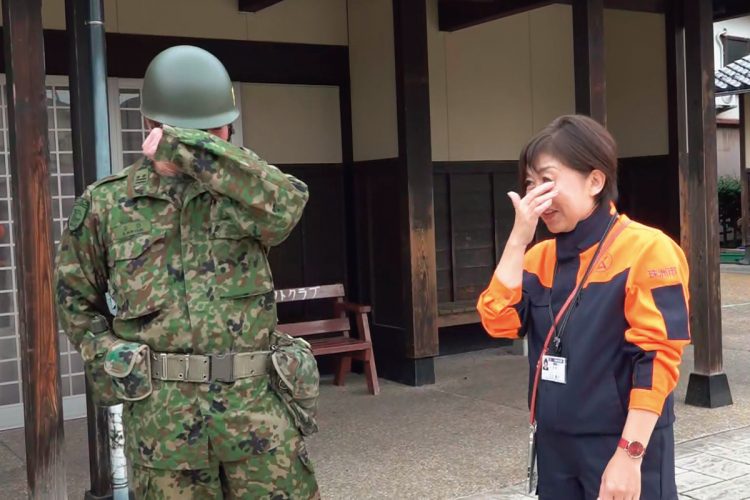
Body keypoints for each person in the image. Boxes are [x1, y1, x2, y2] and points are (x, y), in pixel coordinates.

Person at [54, 45, 319, 499]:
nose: (211, 144)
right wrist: (112, 356)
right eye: (193, 134)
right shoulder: (108, 204)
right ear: (152, 128)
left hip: (258, 420)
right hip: (165, 427)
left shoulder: (245, 194)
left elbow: (289, 204)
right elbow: (74, 299)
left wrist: (194, 150)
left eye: (216, 134)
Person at [477, 115, 690, 500]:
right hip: (555, 446)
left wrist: (629, 455)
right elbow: (498, 321)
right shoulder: (538, 258)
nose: (534, 194)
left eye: (547, 179)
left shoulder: (648, 249)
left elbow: (657, 359)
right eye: (529, 182)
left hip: (622, 443)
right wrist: (517, 240)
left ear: (595, 181)